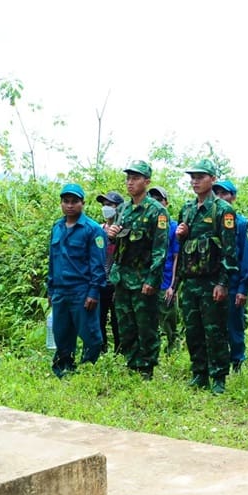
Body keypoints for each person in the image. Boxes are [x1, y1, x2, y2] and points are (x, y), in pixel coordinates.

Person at [166, 159, 239, 394]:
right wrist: (181, 235)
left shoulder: (222, 210)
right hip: (191, 282)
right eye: (192, 177)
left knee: (215, 331)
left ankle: (218, 377)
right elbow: (182, 249)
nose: (195, 181)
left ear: (212, 179)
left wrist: (223, 283)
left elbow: (230, 251)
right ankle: (199, 373)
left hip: (212, 282)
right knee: (193, 329)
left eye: (200, 176)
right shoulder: (187, 209)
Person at [105, 161, 170, 379]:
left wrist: (152, 280)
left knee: (146, 325)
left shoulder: (157, 211)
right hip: (123, 277)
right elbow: (118, 241)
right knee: (126, 324)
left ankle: (147, 368)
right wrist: (112, 233)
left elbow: (160, 250)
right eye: (128, 178)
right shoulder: (122, 209)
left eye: (135, 178)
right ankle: (132, 363)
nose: (130, 182)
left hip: (143, 278)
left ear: (147, 181)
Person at [46, 183, 108, 377]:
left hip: (82, 290)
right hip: (60, 291)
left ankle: (89, 367)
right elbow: (52, 260)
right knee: (62, 333)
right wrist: (50, 289)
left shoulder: (92, 229)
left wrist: (93, 292)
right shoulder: (57, 227)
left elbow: (98, 264)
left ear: (83, 203)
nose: (70, 205)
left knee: (90, 333)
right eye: (66, 201)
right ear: (61, 203)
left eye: (74, 201)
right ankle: (64, 369)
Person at [212, 179, 248, 372]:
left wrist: (243, 288)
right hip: (213, 283)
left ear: (233, 197)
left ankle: (237, 361)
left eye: (224, 193)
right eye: (217, 193)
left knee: (233, 325)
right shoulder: (210, 221)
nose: (220, 197)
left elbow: (245, 257)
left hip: (234, 284)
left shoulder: (241, 223)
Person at [150, 186, 182, 355]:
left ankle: (173, 354)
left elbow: (177, 257)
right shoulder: (147, 225)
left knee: (169, 322)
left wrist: (173, 286)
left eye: (159, 199)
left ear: (166, 203)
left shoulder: (173, 227)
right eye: (152, 199)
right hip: (149, 282)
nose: (156, 202)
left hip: (166, 281)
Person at [94, 190, 125, 352]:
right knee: (98, 318)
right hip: (100, 282)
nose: (106, 208)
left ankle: (120, 351)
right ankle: (101, 350)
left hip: (117, 283)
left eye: (110, 205)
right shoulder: (98, 229)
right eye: (104, 205)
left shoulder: (124, 231)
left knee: (117, 320)